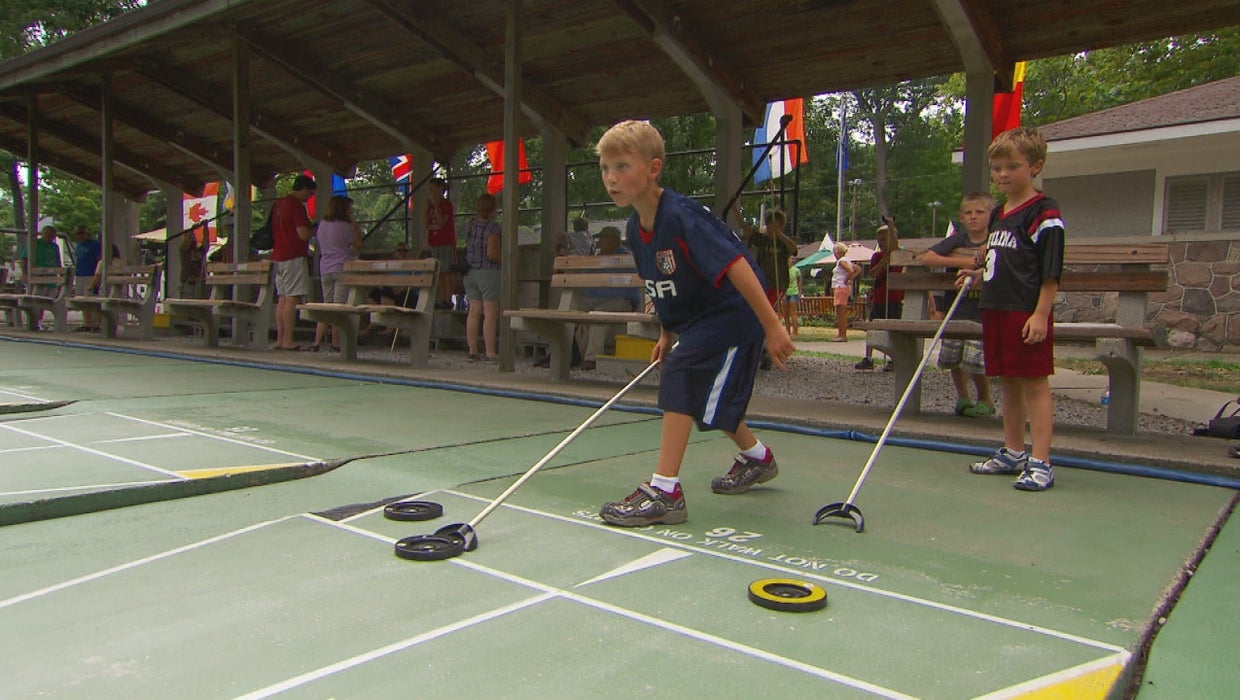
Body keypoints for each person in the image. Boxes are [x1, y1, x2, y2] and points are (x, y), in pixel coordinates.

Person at [593, 119, 795, 528]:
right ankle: (758, 458)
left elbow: (737, 266)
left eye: (622, 167)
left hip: (735, 313)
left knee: (684, 374)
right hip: (701, 317)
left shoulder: (682, 216)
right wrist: (667, 332)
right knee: (702, 398)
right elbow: (661, 282)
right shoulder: (636, 226)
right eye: (605, 168)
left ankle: (665, 492)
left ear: (653, 169)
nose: (611, 179)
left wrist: (773, 326)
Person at [957, 126, 1064, 492]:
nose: (1002, 174)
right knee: (1008, 380)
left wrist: (1040, 314)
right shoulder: (1001, 212)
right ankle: (1014, 451)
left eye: (1012, 167)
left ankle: (1042, 461)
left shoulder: (1045, 212)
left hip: (1025, 310)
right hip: (996, 308)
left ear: (1035, 166)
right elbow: (997, 261)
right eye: (997, 167)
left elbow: (1050, 272)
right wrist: (976, 276)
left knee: (1034, 381)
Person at [920, 192, 996, 417]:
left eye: (980, 212)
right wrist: (965, 261)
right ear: (961, 218)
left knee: (975, 359)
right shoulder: (958, 241)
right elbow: (928, 258)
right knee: (953, 356)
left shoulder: (995, 240)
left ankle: (985, 399)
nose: (974, 217)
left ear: (991, 216)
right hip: (958, 310)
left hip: (982, 313)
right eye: (969, 213)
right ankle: (963, 397)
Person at [574, 225, 643, 371]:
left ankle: (592, 358)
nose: (599, 242)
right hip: (594, 301)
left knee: (599, 315)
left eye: (602, 239)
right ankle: (564, 356)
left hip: (622, 301)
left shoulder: (627, 258)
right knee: (575, 313)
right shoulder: (597, 258)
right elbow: (586, 284)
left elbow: (628, 288)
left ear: (613, 240)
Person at [310, 195, 363, 352]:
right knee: (338, 306)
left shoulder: (322, 225)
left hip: (325, 267)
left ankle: (316, 342)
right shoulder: (346, 227)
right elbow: (358, 245)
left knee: (327, 305)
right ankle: (336, 342)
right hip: (341, 267)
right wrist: (356, 227)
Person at [270, 174, 316, 350]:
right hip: (293, 255)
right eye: (310, 193)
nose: (309, 197)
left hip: (278, 255)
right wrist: (315, 229)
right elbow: (303, 233)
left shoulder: (279, 204)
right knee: (292, 298)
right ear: (304, 189)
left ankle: (280, 339)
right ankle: (288, 339)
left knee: (282, 298)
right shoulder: (296, 206)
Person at [854, 219, 903, 371]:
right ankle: (868, 357)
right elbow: (873, 273)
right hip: (880, 298)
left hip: (893, 298)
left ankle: (893, 359)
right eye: (879, 240)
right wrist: (884, 259)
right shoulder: (876, 256)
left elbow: (895, 248)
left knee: (893, 329)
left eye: (884, 239)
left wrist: (891, 226)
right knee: (873, 327)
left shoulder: (899, 255)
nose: (881, 242)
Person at [462, 193, 502, 363]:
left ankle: (472, 350)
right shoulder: (494, 228)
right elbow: (492, 253)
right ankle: (490, 352)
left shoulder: (471, 225)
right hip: (488, 272)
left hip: (470, 272)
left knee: (473, 311)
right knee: (490, 313)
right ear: (493, 210)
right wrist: (506, 258)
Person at [742, 209, 797, 309]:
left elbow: (794, 249)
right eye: (770, 225)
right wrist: (733, 207)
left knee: (766, 309)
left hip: (777, 285)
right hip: (762, 283)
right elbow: (745, 228)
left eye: (775, 225)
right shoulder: (763, 240)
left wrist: (779, 234)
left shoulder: (783, 243)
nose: (771, 228)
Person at [16, 225, 62, 330]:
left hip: (51, 279)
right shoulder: (35, 244)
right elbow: (23, 258)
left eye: (52, 235)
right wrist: (25, 274)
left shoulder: (55, 246)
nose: (49, 236)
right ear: (42, 233)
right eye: (47, 234)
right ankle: (33, 322)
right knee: (35, 300)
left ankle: (40, 321)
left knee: (46, 301)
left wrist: (60, 274)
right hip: (37, 279)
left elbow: (58, 263)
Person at [424, 177, 457, 310]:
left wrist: (436, 206)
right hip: (434, 242)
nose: (431, 192)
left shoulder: (446, 205)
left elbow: (442, 221)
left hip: (445, 241)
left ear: (440, 189)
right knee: (438, 272)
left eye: (433, 189)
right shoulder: (430, 206)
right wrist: (426, 210)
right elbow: (426, 224)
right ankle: (441, 298)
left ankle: (448, 299)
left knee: (446, 272)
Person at [71, 226, 103, 331]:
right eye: (77, 234)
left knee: (92, 299)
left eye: (81, 233)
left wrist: (97, 275)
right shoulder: (78, 246)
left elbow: (99, 259)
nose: (79, 236)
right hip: (80, 274)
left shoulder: (94, 245)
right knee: (81, 300)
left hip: (91, 274)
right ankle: (86, 323)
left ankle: (96, 323)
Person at [830, 241, 860, 342]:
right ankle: (841, 334)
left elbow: (851, 271)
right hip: (843, 287)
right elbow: (857, 269)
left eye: (835, 251)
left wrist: (846, 280)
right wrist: (851, 278)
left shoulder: (841, 261)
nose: (834, 254)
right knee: (840, 311)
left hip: (840, 287)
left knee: (840, 311)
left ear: (838, 252)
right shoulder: (848, 260)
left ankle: (842, 335)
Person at [782, 255, 801, 339]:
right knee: (785, 313)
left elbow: (799, 280)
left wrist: (799, 291)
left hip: (793, 292)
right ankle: (787, 331)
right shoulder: (782, 271)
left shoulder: (796, 270)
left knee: (792, 312)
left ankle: (795, 332)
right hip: (785, 293)